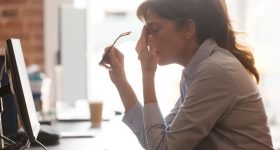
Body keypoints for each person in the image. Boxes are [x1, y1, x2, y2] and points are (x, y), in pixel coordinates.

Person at [102, 0, 274, 149]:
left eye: (154, 29)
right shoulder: (198, 70)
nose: (147, 40)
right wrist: (121, 81)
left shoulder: (215, 71)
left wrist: (148, 73)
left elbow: (162, 147)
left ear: (187, 28)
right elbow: (156, 139)